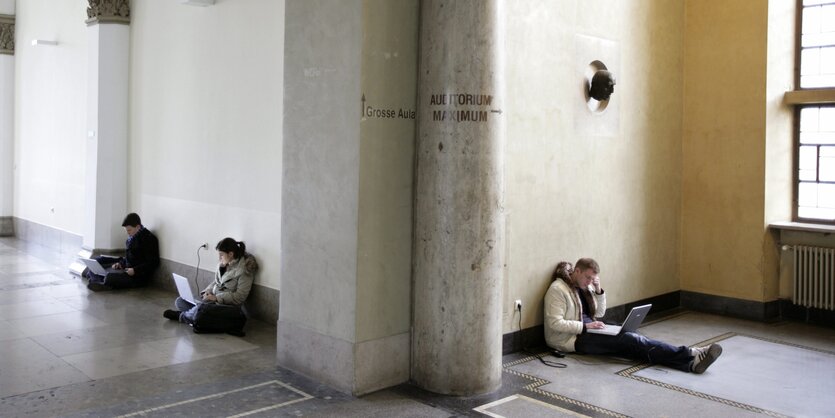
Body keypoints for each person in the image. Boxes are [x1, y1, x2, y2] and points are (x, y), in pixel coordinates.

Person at [544, 258, 722, 374]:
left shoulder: (586, 286)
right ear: (577, 271)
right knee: (632, 341)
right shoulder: (558, 289)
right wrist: (586, 326)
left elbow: (599, 313)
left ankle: (689, 363)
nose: (590, 282)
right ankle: (691, 354)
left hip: (589, 328)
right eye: (588, 278)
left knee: (634, 339)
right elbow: (554, 323)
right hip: (571, 339)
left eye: (593, 279)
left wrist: (598, 292)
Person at [163, 238, 258, 335]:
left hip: (229, 307)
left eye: (221, 255)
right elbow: (216, 282)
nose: (219, 258)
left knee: (203, 308)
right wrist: (207, 292)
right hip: (213, 302)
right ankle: (194, 316)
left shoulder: (245, 270)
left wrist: (216, 298)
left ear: (231, 254)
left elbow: (240, 297)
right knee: (180, 301)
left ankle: (183, 317)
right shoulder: (224, 265)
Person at [86, 213, 160, 291]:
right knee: (96, 265)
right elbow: (130, 258)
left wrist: (135, 270)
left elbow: (153, 262)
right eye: (126, 230)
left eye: (129, 230)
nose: (127, 233)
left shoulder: (149, 239)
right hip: (126, 270)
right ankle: (100, 282)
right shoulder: (131, 238)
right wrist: (121, 264)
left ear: (138, 227)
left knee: (109, 277)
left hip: (138, 277)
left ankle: (99, 281)